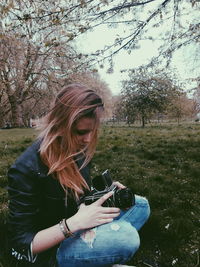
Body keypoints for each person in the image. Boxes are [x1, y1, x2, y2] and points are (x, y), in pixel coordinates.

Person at [7, 83, 150, 267]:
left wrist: (104, 193)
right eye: (81, 132)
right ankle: (100, 251)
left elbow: (80, 198)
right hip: (53, 248)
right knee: (126, 237)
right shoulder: (25, 169)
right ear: (60, 125)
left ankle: (99, 251)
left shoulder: (77, 150)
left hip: (78, 225)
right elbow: (22, 245)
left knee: (140, 205)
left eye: (92, 130)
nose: (88, 139)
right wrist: (72, 225)